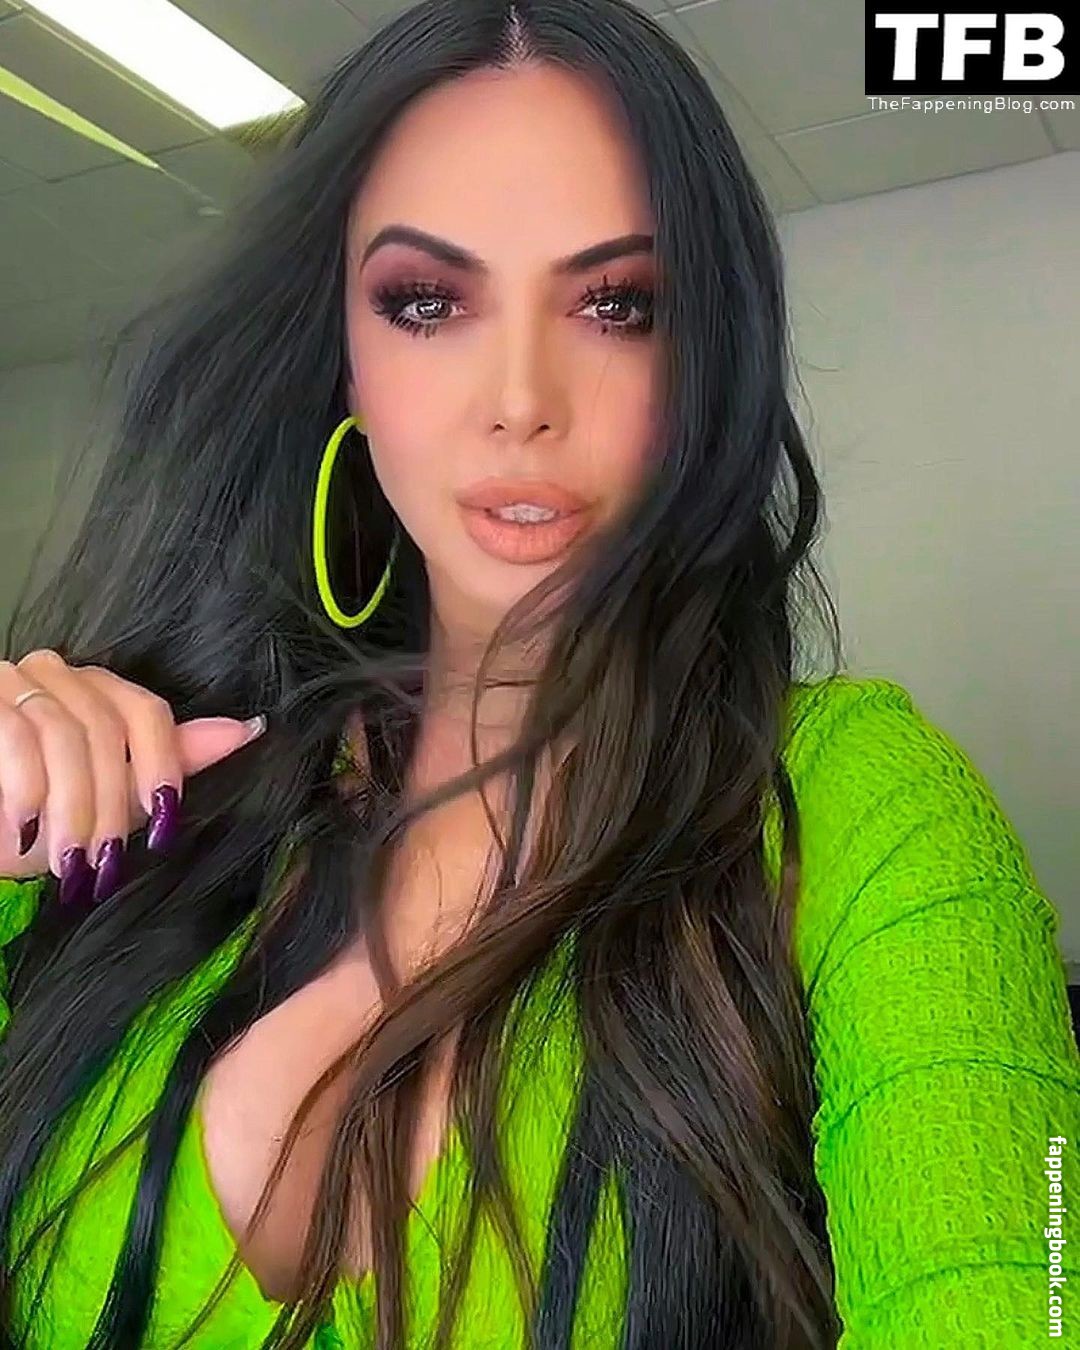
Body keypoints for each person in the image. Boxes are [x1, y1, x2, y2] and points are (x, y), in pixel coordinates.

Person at [0, 2, 1076, 1347]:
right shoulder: (145, 804)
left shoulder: (866, 808)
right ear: (344, 363)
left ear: (705, 362)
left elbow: (1013, 1285)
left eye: (617, 305)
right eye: (427, 302)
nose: (521, 398)